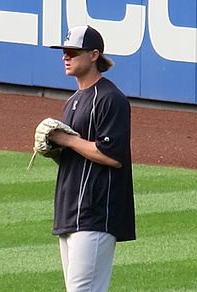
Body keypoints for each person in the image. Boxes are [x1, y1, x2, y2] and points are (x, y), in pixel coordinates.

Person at [48, 25, 136, 292]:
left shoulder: (110, 99)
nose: (66, 56)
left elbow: (112, 156)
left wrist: (67, 140)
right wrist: (54, 149)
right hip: (69, 211)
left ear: (94, 55)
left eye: (73, 51)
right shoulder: (74, 99)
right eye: (64, 52)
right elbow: (78, 155)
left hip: (96, 213)